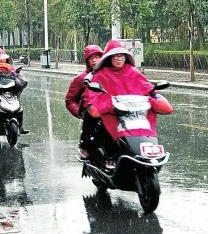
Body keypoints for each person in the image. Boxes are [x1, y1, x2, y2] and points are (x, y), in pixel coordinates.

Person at [83, 40, 173, 168]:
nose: (119, 59)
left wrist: (155, 97)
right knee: (103, 128)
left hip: (135, 114)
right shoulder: (101, 75)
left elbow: (146, 88)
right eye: (115, 56)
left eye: (121, 55)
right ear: (109, 57)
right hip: (114, 114)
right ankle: (109, 157)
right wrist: (107, 104)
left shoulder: (133, 72)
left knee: (147, 128)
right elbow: (94, 98)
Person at [65, 45, 103, 159]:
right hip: (93, 113)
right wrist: (81, 112)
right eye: (92, 58)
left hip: (110, 110)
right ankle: (85, 147)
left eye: (97, 57)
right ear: (87, 61)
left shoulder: (109, 74)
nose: (95, 60)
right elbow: (70, 100)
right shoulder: (81, 78)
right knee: (90, 125)